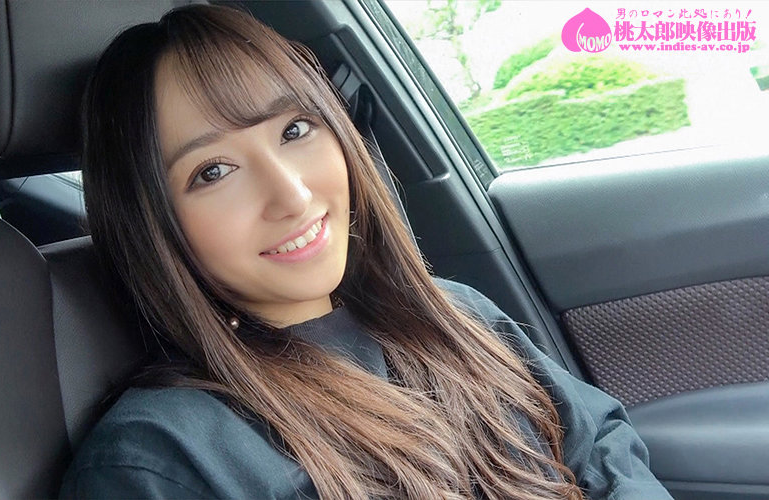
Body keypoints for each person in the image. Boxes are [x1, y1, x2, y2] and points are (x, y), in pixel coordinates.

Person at [60, 4, 674, 500]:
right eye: (214, 171)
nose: (293, 196)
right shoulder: (164, 459)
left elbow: (600, 446)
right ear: (152, 223)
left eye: (295, 130)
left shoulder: (456, 315)